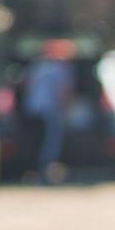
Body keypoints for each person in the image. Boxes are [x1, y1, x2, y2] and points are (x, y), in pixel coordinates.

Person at [23, 39, 75, 184]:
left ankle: (33, 171)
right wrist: (66, 109)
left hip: (33, 108)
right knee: (51, 141)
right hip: (51, 109)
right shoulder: (61, 67)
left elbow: (28, 86)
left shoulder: (37, 66)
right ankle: (46, 169)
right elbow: (64, 91)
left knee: (36, 140)